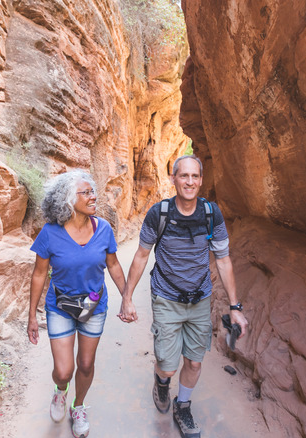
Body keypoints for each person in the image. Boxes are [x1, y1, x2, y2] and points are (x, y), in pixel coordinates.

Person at [118, 155, 248, 438]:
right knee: (167, 365)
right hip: (166, 297)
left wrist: (235, 306)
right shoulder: (159, 213)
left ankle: (183, 405)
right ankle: (162, 382)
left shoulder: (211, 213)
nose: (190, 182)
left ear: (201, 180)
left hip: (200, 299)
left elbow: (223, 260)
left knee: (194, 361)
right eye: (184, 176)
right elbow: (141, 256)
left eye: (195, 177)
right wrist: (127, 297)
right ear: (173, 178)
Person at [28, 170, 126, 438]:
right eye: (86, 193)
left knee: (84, 364)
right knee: (63, 371)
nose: (94, 196)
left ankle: (78, 406)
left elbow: (114, 264)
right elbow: (39, 274)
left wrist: (126, 297)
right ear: (68, 201)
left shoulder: (103, 228)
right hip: (60, 306)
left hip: (94, 305)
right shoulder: (50, 233)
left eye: (93, 191)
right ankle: (61, 391)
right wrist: (32, 316)